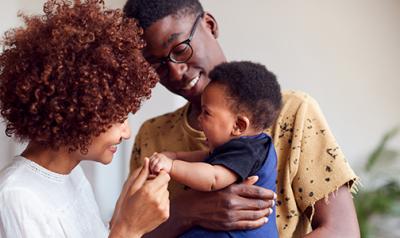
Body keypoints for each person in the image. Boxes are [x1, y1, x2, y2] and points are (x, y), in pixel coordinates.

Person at [123, 0, 360, 237]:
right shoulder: (152, 136)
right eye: (157, 64)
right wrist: (187, 210)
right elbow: (129, 229)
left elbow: (342, 231)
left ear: (210, 25)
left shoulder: (292, 113)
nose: (175, 71)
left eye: (181, 49)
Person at [0, 0, 169, 237]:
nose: (127, 133)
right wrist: (128, 230)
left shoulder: (71, 175)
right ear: (75, 109)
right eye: (119, 117)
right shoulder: (17, 197)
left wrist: (122, 215)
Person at [149, 61, 281, 237]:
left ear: (238, 125)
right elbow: (205, 157)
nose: (199, 118)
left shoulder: (247, 150)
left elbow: (212, 178)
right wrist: (174, 156)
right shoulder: (247, 147)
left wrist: (171, 166)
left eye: (206, 113)